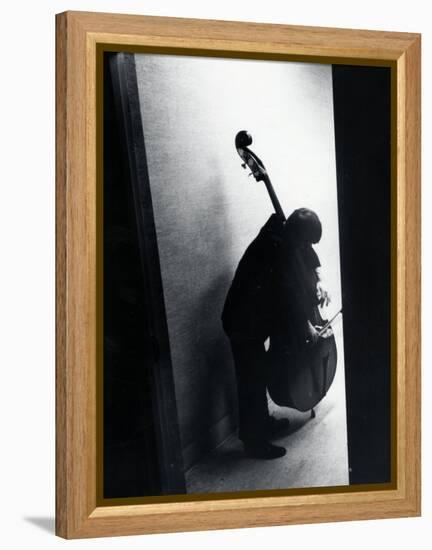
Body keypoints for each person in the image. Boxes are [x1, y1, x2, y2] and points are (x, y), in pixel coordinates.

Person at [221, 208, 330, 459]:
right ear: (297, 235)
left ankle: (262, 422)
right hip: (243, 321)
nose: (307, 247)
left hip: (257, 316)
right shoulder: (276, 249)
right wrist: (304, 324)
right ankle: (254, 442)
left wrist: (319, 276)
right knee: (252, 380)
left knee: (258, 373)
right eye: (306, 241)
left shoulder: (286, 230)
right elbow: (287, 295)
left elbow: (306, 253)